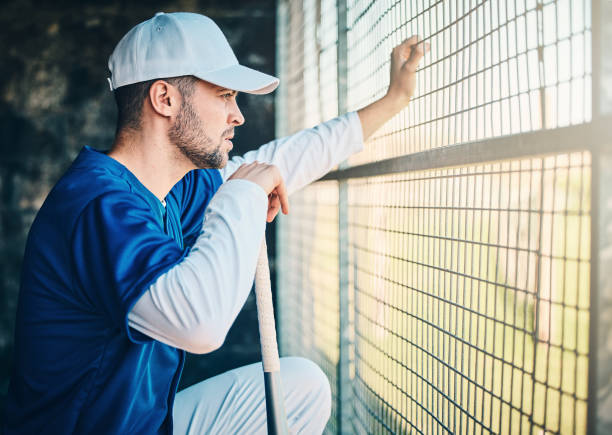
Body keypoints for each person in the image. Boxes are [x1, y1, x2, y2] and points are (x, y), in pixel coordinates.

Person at [3, 11, 428, 435]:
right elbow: (201, 325)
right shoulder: (98, 204)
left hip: (144, 425)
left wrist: (393, 101)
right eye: (225, 94)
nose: (238, 115)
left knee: (301, 388)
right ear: (164, 99)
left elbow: (281, 161)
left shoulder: (168, 190)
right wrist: (243, 197)